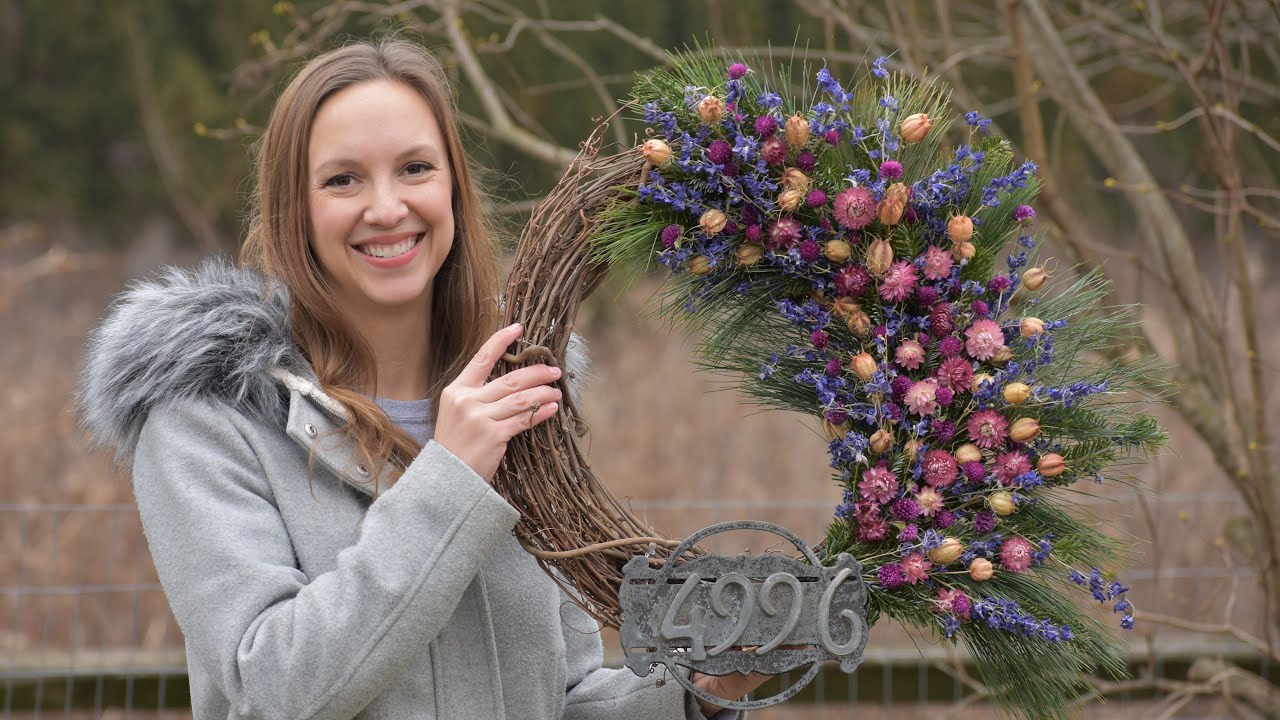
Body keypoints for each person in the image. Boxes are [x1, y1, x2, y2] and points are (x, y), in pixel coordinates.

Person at [77, 38, 763, 719]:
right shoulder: (208, 418)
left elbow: (563, 697)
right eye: (342, 179)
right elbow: (272, 689)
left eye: (414, 168)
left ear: (454, 190)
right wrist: (450, 482)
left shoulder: (519, 405)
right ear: (297, 209)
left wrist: (694, 695)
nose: (385, 208)